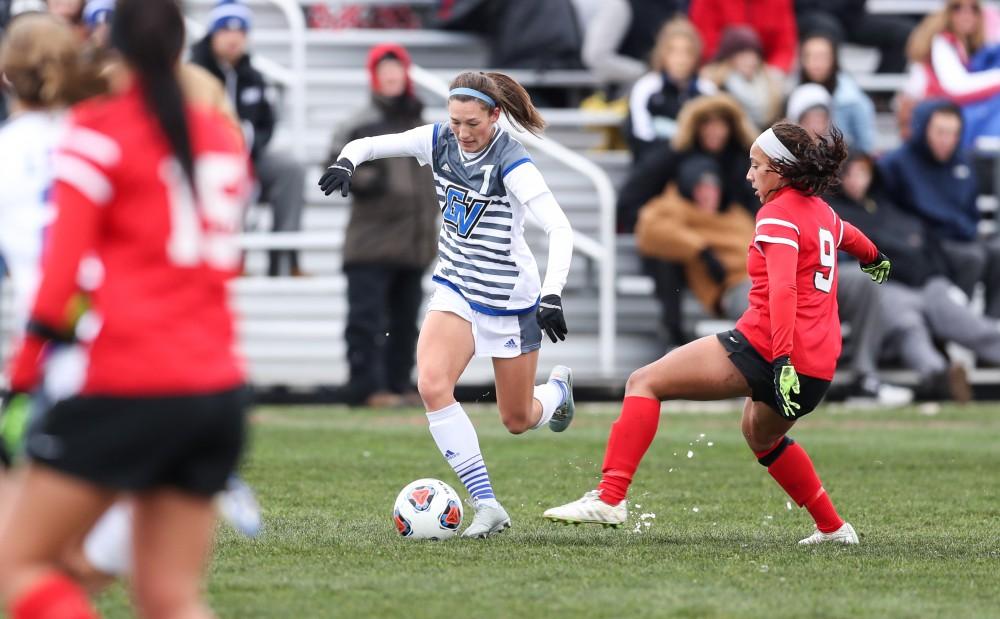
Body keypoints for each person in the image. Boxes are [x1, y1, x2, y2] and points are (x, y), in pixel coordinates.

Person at [0, 2, 251, 618]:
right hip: (217, 384)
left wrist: (23, 378)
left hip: (127, 376)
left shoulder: (100, 132)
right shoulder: (220, 135)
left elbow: (62, 278)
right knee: (168, 597)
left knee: (19, 566)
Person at [544, 122, 891, 545]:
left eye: (756, 165)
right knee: (760, 436)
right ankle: (834, 528)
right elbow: (849, 236)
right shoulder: (821, 212)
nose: (748, 174)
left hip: (771, 351)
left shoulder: (777, 214)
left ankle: (611, 496)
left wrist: (780, 359)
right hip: (817, 367)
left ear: (779, 170)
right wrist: (875, 259)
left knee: (644, 381)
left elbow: (783, 289)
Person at [320, 71, 576, 538]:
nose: (462, 132)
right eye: (455, 120)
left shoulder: (513, 162)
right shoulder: (436, 140)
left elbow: (559, 228)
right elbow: (372, 144)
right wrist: (346, 162)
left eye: (472, 122)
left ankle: (557, 393)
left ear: (495, 116)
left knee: (517, 419)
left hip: (508, 298)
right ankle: (487, 504)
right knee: (433, 385)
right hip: (456, 287)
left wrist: (551, 292)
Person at [830, 152, 1000, 402]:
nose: (857, 181)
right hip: (885, 286)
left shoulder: (890, 206)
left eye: (862, 173)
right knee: (908, 327)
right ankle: (940, 375)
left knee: (967, 323)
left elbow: (926, 244)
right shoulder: (834, 214)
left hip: (926, 282)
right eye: (850, 174)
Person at [325, 43, 439, 408]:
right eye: (383, 71)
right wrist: (369, 180)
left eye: (396, 70)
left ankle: (398, 384)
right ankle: (366, 389)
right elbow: (334, 165)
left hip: (414, 242)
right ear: (373, 78)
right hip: (371, 242)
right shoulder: (358, 121)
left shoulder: (421, 122)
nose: (391, 77)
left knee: (405, 323)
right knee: (367, 321)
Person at [190, 0, 306, 276]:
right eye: (226, 30)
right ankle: (228, 259)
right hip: (205, 159)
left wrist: (249, 146)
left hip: (249, 155)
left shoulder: (254, 77)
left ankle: (285, 260)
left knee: (290, 170)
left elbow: (267, 122)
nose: (234, 37)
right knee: (223, 173)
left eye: (241, 31)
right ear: (213, 34)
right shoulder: (193, 73)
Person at [879, 99, 1000, 305]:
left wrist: (969, 228)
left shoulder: (962, 162)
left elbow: (971, 209)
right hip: (924, 240)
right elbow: (886, 211)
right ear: (924, 128)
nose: (947, 140)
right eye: (941, 132)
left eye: (954, 133)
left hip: (962, 234)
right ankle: (956, 325)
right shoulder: (895, 163)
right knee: (971, 258)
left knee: (996, 251)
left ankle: (991, 324)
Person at [634, 155, 755, 320]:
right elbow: (649, 230)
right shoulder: (675, 208)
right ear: (689, 189)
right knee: (765, 308)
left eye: (712, 188)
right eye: (700, 188)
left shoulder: (735, 214)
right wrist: (702, 251)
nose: (707, 195)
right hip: (733, 289)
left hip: (763, 280)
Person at [906, 0, 1000, 147]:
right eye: (958, 8)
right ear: (948, 12)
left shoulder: (969, 45)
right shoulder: (942, 40)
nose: (966, 14)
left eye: (974, 9)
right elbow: (956, 87)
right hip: (933, 123)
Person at [627, 17, 716, 162]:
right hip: (655, 162)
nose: (681, 59)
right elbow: (641, 135)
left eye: (687, 52)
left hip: (696, 162)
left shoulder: (707, 90)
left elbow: (713, 138)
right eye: (674, 52)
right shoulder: (646, 88)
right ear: (663, 55)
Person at [796, 32, 878, 154]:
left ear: (834, 59)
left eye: (822, 56)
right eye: (810, 56)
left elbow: (866, 146)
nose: (816, 63)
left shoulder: (853, 100)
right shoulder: (793, 94)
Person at [795, 0, 914, 74]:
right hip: (813, 15)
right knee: (829, 29)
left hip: (851, 17)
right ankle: (831, 88)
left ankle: (879, 97)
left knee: (903, 32)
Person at [699, 25, 783, 130]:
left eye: (754, 53)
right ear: (729, 57)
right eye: (743, 54)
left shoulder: (772, 87)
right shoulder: (715, 89)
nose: (751, 60)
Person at [688, 0, 798, 74]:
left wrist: (770, 73)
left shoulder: (778, 3)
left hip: (763, 71)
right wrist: (732, 64)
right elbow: (704, 41)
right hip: (722, 66)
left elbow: (784, 47)